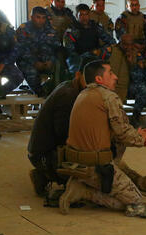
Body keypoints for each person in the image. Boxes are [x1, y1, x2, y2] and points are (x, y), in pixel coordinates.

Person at [57, 60, 146, 215]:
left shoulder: (83, 94)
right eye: (110, 73)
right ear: (99, 79)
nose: (115, 77)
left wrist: (135, 133)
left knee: (120, 143)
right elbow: (123, 133)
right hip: (94, 165)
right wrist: (142, 138)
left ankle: (86, 183)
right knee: (136, 202)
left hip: (74, 161)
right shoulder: (108, 97)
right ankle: (84, 192)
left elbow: (114, 131)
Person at [27, 57, 95, 197]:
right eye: (88, 78)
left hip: (45, 150)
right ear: (78, 75)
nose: (92, 84)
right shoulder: (68, 95)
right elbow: (63, 135)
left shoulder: (74, 88)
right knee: (90, 173)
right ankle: (45, 174)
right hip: (44, 155)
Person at [15, 7, 62, 97]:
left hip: (47, 60)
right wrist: (35, 62)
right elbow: (21, 50)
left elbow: (56, 47)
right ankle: (40, 95)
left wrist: (50, 60)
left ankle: (56, 94)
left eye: (43, 18)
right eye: (38, 17)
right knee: (32, 73)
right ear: (31, 17)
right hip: (27, 61)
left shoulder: (50, 29)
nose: (41, 20)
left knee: (60, 69)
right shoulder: (23, 29)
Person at [63, 4, 116, 73]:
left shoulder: (95, 27)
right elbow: (70, 51)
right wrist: (89, 54)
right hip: (79, 58)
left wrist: (105, 49)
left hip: (95, 56)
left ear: (89, 15)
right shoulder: (72, 30)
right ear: (76, 16)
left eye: (86, 14)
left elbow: (111, 41)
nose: (84, 17)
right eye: (81, 15)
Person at [97, 34, 138, 102]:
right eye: (126, 44)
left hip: (123, 86)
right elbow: (100, 66)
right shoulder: (110, 50)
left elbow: (136, 74)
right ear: (120, 43)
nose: (128, 47)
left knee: (119, 106)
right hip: (108, 85)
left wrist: (131, 62)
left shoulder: (135, 53)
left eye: (130, 44)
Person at [0, 12, 23, 98]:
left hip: (3, 62)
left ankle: (0, 94)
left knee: (18, 76)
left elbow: (16, 49)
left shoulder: (6, 29)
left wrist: (3, 64)